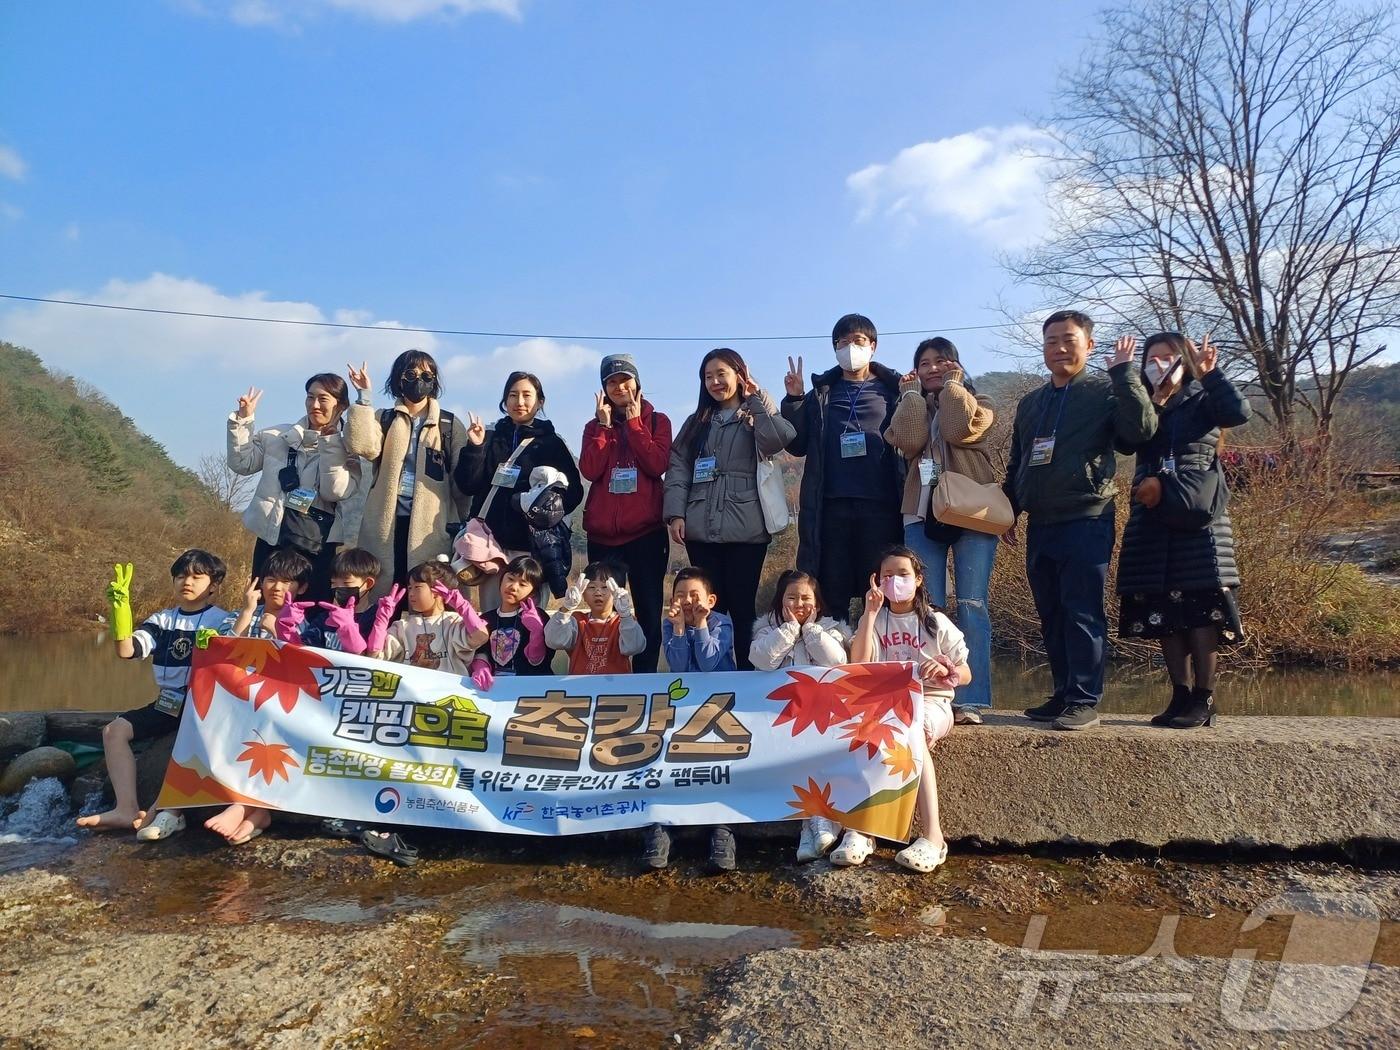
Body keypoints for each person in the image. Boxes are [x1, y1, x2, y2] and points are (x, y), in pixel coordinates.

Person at [1003, 310, 1156, 731]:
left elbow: (1139, 432)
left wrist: (1126, 376)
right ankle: (1063, 693)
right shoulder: (1032, 403)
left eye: (1069, 339)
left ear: (1088, 345)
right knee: (1050, 611)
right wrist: (1009, 509)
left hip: (1087, 516)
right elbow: (1019, 460)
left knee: (1082, 611)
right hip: (1041, 521)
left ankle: (1085, 699)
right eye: (1051, 340)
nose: (1060, 348)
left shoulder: (1105, 391)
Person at [1115, 333, 1250, 729]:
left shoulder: (1202, 398)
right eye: (1152, 359)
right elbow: (1127, 440)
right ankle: (1180, 692)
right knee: (1162, 610)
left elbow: (1237, 412)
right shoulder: (1147, 403)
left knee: (1199, 609)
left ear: (1184, 362)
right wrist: (1136, 386)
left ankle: (1204, 698)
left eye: (1168, 358)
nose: (1159, 365)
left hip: (1196, 517)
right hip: (1151, 517)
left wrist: (1211, 374)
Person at [77, 551, 231, 840]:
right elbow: (127, 651)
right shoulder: (162, 620)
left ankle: (166, 810)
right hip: (168, 701)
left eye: (197, 576)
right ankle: (126, 808)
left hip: (203, 703)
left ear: (213, 586)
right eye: (181, 575)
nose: (187, 581)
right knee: (114, 731)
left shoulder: (221, 620)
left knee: (185, 742)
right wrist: (120, 613)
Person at [885, 337, 999, 725]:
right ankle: (930, 691)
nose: (932, 367)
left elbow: (955, 430)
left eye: (941, 361)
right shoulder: (906, 405)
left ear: (957, 364)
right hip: (919, 512)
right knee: (927, 606)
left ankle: (972, 698)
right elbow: (910, 442)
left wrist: (953, 387)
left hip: (973, 512)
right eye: (924, 362)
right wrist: (913, 398)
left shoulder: (980, 402)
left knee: (972, 603)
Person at [663, 349, 794, 669]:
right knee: (709, 607)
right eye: (708, 377)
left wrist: (757, 400)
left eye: (722, 374)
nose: (715, 382)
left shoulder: (754, 414)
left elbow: (780, 440)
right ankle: (712, 672)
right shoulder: (696, 423)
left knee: (742, 605)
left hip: (746, 526)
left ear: (739, 374)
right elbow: (677, 467)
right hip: (700, 524)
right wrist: (676, 513)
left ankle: (747, 677)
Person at [845, 546, 969, 873]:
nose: (895, 581)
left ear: (918, 579)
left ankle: (934, 837)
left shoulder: (934, 622)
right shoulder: (875, 619)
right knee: (860, 735)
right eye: (887, 575)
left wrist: (947, 671)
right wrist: (870, 613)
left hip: (932, 702)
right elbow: (858, 664)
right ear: (876, 581)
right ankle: (860, 831)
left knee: (911, 733)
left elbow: (966, 671)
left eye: (903, 574)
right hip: (887, 703)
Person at [781, 314, 905, 625]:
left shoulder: (893, 389)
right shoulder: (822, 392)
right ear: (835, 348)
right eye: (843, 342)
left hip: (881, 505)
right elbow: (797, 445)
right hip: (831, 506)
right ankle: (833, 665)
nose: (851, 348)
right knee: (831, 589)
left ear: (873, 346)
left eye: (858, 341)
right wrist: (794, 399)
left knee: (879, 589)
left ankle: (877, 661)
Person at [345, 351, 470, 602]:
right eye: (411, 374)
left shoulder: (448, 424)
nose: (419, 380)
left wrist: (457, 522)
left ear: (434, 381)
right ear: (398, 380)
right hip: (386, 524)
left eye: (426, 375)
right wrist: (364, 398)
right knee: (383, 597)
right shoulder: (385, 418)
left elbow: (462, 482)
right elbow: (362, 446)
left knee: (428, 598)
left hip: (430, 527)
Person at [226, 375, 363, 601]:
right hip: (272, 536)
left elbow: (334, 491)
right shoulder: (276, 437)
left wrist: (331, 444)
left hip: (315, 545)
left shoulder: (350, 447)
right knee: (265, 606)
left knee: (310, 613)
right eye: (310, 398)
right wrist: (243, 420)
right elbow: (242, 463)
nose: (315, 405)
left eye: (323, 399)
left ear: (341, 405)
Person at [456, 371, 583, 609]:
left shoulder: (551, 443)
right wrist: (475, 447)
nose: (520, 402)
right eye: (513, 395)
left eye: (527, 395)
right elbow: (467, 485)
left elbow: (574, 491)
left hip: (531, 549)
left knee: (529, 621)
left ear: (540, 401)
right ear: (505, 401)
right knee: (493, 616)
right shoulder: (490, 436)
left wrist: (546, 507)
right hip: (490, 547)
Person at [748, 569, 851, 863]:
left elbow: (836, 660)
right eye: (791, 597)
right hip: (778, 714)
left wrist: (809, 631)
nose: (799, 603)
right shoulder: (766, 630)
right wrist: (790, 630)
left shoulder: (831, 629)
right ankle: (814, 823)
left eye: (806, 598)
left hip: (820, 715)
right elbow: (761, 660)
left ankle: (812, 824)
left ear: (817, 603)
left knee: (814, 745)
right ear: (780, 601)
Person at [579, 353, 673, 674]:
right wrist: (604, 428)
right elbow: (590, 470)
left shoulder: (658, 421)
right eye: (611, 381)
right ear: (604, 388)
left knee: (648, 612)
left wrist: (634, 425)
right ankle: (609, 677)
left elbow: (657, 464)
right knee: (602, 611)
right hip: (603, 538)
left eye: (624, 379)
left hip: (646, 534)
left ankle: (644, 682)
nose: (619, 386)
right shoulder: (594, 426)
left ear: (637, 382)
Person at [646, 566, 740, 874]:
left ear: (710, 599)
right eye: (680, 595)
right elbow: (678, 666)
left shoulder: (722, 623)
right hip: (684, 712)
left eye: (694, 594)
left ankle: (722, 833)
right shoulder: (669, 625)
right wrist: (677, 628)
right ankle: (660, 833)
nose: (687, 600)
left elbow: (709, 662)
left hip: (722, 712)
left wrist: (699, 623)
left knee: (720, 770)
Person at [367, 558, 489, 674]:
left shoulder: (454, 622)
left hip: (452, 691)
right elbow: (375, 656)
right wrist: (381, 621)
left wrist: (462, 606)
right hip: (413, 692)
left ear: (438, 590)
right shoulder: (403, 626)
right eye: (410, 588)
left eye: (417, 587)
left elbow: (480, 637)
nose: (411, 594)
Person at [545, 562, 647, 675]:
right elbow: (554, 641)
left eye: (605, 587)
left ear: (617, 592)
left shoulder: (623, 622)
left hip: (617, 689)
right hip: (581, 690)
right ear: (583, 594)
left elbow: (635, 647)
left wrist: (626, 616)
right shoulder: (576, 621)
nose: (598, 592)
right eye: (592, 587)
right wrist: (566, 609)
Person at [468, 554, 551, 689]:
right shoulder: (486, 618)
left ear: (532, 593)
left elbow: (537, 661)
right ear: (501, 580)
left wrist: (537, 632)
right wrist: (480, 666)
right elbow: (481, 651)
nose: (513, 587)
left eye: (523, 584)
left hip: (530, 690)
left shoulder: (539, 617)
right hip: (495, 689)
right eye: (510, 578)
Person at [315, 547, 382, 655]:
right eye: (333, 583)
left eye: (346, 583)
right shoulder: (325, 618)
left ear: (368, 583)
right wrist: (287, 630)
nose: (338, 588)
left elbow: (375, 658)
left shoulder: (377, 618)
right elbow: (306, 648)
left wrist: (348, 628)